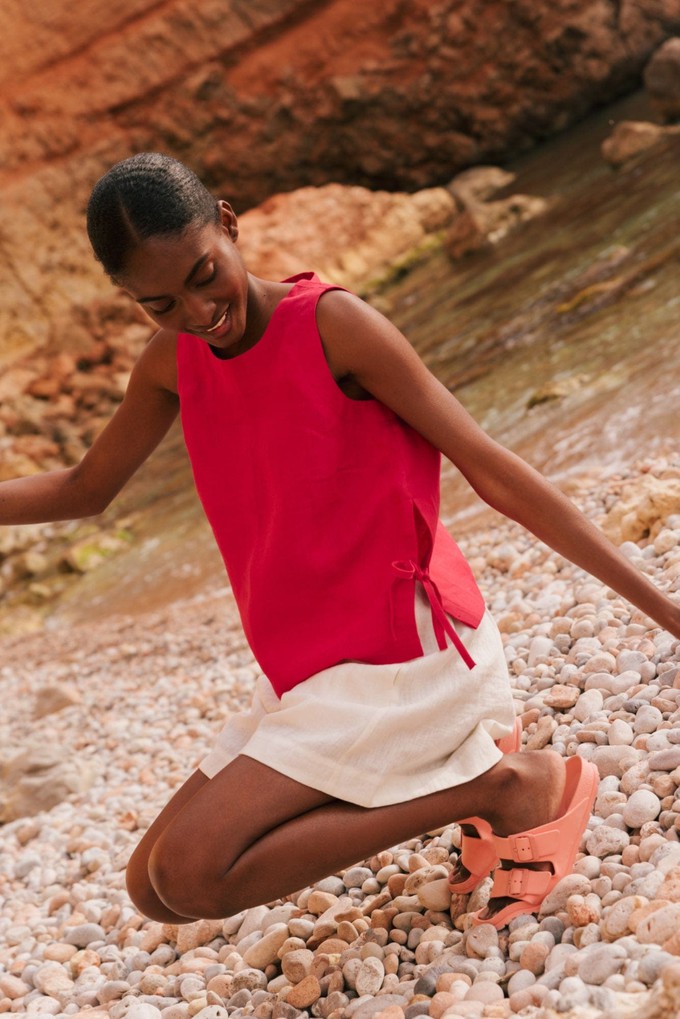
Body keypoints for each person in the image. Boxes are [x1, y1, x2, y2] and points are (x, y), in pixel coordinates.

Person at [1, 153, 678, 931]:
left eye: (204, 273)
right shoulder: (170, 364)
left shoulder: (332, 325)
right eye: (160, 301)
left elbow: (493, 469)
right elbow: (85, 488)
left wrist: (665, 608)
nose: (197, 310)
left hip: (406, 652)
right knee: (152, 888)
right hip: (310, 666)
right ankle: (464, 767)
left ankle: (501, 786)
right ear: (128, 298)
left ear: (227, 223)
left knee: (195, 872)